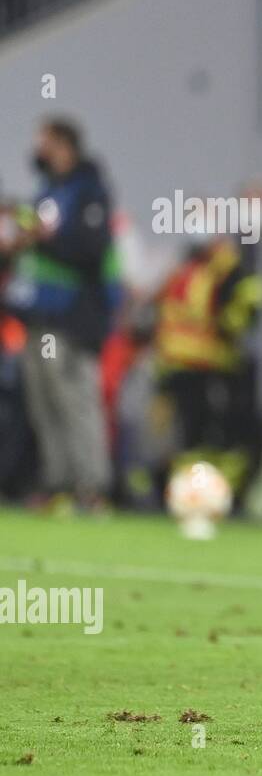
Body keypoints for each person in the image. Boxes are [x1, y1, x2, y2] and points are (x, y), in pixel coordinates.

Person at [1, 118, 119, 512]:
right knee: (43, 399)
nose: (39, 148)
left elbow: (89, 250)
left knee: (75, 397)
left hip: (71, 318)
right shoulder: (48, 190)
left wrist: (39, 236)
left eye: (46, 142)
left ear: (66, 145)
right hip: (38, 315)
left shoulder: (88, 192)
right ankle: (59, 481)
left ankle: (91, 485)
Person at [154, 227, 262, 491]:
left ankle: (196, 488)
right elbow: (239, 314)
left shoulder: (189, 272)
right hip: (207, 362)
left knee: (196, 435)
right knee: (203, 435)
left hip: (181, 363)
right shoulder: (218, 272)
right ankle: (207, 489)